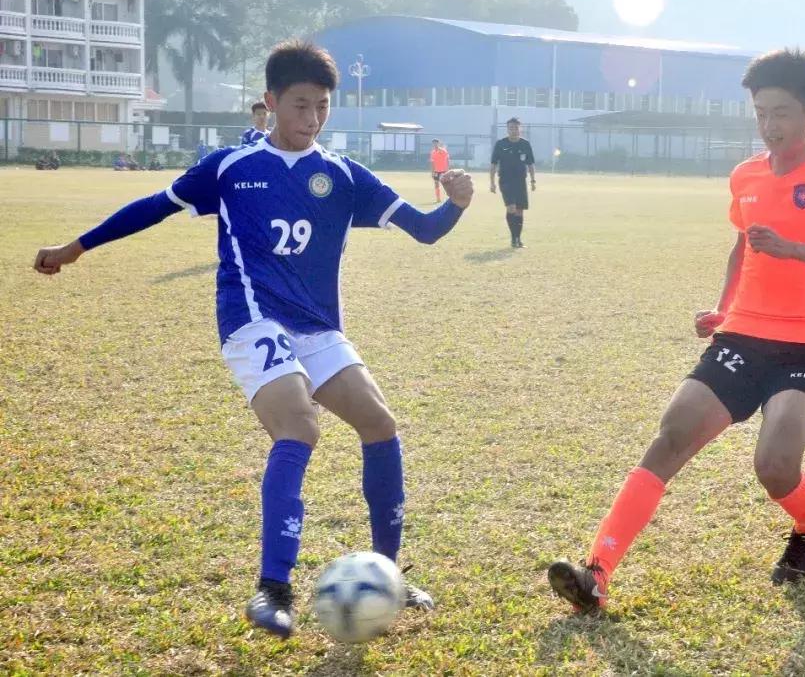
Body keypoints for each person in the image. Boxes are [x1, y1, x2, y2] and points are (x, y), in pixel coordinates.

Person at [33, 40, 475, 639]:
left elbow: (424, 231)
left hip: (317, 327)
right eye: (299, 105)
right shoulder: (232, 167)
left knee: (379, 423)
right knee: (299, 425)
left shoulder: (344, 176)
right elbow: (152, 207)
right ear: (270, 103)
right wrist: (75, 248)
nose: (311, 119)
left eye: (322, 106)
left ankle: (387, 574)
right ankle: (272, 589)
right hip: (250, 319)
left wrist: (456, 205)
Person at [546, 48, 805, 612]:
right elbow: (742, 247)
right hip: (743, 334)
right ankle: (596, 572)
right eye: (760, 113)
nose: (770, 126)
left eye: (782, 113)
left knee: (775, 468)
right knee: (674, 431)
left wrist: (794, 248)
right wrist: (724, 309)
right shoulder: (745, 175)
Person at [490, 118, 535, 248]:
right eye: (510, 128)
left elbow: (530, 163)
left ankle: (517, 239)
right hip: (505, 181)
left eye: (515, 127)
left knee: (520, 211)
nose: (513, 130)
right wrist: (492, 182)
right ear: (507, 129)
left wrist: (533, 180)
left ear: (519, 129)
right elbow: (493, 164)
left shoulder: (525, 144)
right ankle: (513, 238)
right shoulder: (500, 144)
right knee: (511, 208)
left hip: (521, 181)